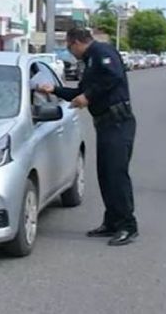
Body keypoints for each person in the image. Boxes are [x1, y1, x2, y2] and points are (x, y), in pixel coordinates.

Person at [35, 28, 138, 246]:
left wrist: (88, 96)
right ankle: (112, 221)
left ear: (77, 42)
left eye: (69, 48)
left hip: (118, 122)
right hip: (105, 124)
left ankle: (128, 225)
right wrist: (53, 89)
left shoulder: (101, 52)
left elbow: (114, 76)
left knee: (117, 175)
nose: (70, 53)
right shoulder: (89, 62)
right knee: (106, 175)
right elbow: (79, 92)